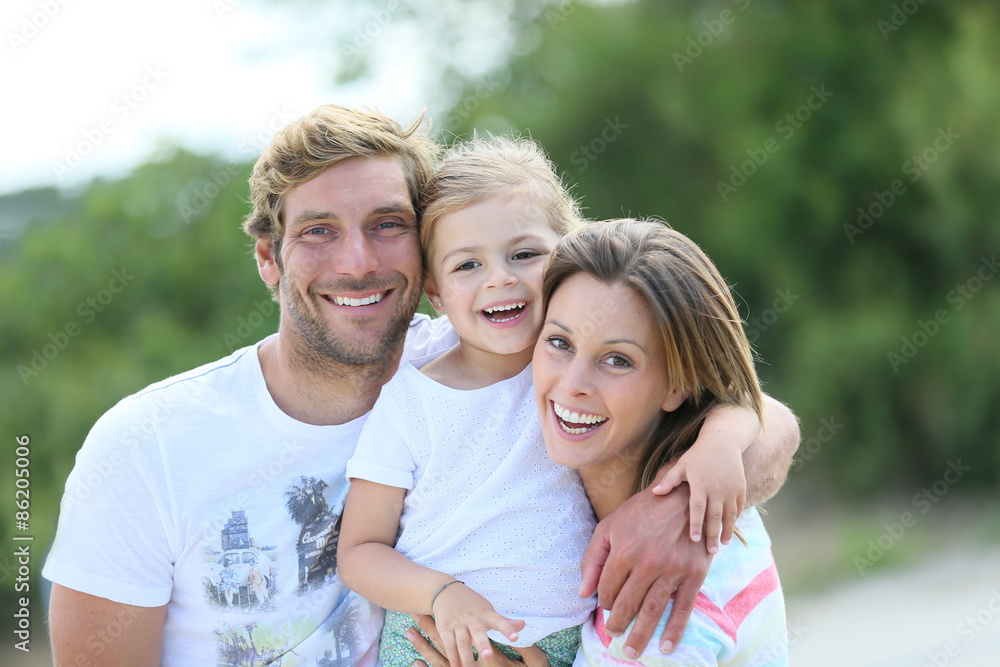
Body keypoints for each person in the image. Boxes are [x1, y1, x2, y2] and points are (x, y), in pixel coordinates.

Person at [42, 105, 799, 666]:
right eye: (317, 232)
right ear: (269, 259)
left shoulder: (521, 352)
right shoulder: (146, 446)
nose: (357, 262)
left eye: (386, 223)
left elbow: (752, 411)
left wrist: (679, 506)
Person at [338, 135, 596, 667]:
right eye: (466, 266)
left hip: (572, 643)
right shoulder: (411, 401)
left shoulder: (589, 374)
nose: (501, 277)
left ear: (569, 257)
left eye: (524, 254)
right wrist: (442, 594)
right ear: (435, 294)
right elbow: (360, 553)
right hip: (438, 641)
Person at [534, 218, 788, 665]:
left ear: (679, 385)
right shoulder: (713, 464)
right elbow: (769, 414)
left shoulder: (658, 615)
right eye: (559, 341)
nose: (572, 383)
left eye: (617, 360)